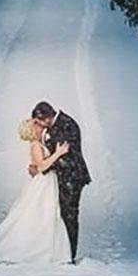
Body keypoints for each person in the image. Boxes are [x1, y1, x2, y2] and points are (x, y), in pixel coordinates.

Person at [0, 117, 71, 275]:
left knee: (46, 214)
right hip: (43, 183)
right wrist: (58, 153)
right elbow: (42, 166)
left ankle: (47, 249)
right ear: (32, 130)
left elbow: (36, 166)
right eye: (36, 125)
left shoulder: (40, 144)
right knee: (39, 214)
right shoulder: (36, 145)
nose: (40, 126)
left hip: (47, 183)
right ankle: (38, 250)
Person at [30, 101, 91, 263]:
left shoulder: (67, 125)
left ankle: (69, 255)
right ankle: (61, 252)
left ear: (46, 117)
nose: (39, 126)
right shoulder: (54, 126)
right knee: (61, 214)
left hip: (72, 177)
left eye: (39, 122)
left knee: (69, 214)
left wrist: (41, 168)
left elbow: (65, 157)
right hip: (62, 176)